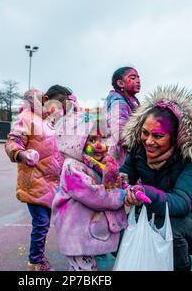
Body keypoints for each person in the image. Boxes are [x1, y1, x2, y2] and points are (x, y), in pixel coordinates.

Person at [119, 85, 192, 271]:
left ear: (175, 137)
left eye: (158, 136)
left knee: (167, 230)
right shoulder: (138, 149)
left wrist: (144, 192)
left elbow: (182, 203)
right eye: (145, 133)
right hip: (154, 211)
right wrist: (117, 182)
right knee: (118, 227)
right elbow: (124, 177)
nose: (148, 141)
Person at [5, 85, 73, 271]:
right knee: (41, 224)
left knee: (48, 223)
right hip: (34, 181)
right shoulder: (27, 118)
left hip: (53, 183)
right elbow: (13, 141)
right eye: (58, 105)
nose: (60, 110)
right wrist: (22, 154)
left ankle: (39, 258)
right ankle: (35, 262)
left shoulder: (55, 122)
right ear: (46, 100)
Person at [52, 112, 132, 271]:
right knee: (83, 269)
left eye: (102, 139)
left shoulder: (92, 164)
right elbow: (95, 195)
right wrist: (121, 195)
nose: (99, 145)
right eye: (92, 140)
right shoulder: (72, 168)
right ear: (75, 141)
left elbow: (105, 183)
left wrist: (120, 181)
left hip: (85, 231)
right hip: (75, 232)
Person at [105, 66, 141, 167]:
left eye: (138, 78)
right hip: (122, 153)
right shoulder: (118, 102)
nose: (138, 81)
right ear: (120, 83)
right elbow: (119, 132)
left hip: (131, 150)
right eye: (133, 78)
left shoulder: (131, 100)